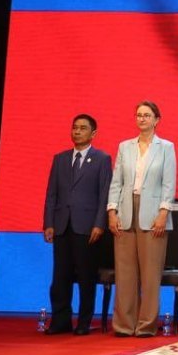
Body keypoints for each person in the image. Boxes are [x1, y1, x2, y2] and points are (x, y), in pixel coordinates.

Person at [106, 101, 176, 338]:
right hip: (126, 212)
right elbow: (117, 182)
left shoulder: (166, 147)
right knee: (125, 273)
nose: (142, 119)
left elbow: (169, 183)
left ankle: (146, 325)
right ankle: (124, 325)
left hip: (154, 214)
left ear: (157, 120)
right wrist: (112, 211)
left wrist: (163, 213)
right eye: (139, 115)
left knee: (150, 274)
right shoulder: (125, 146)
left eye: (147, 115)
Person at [42, 113, 112, 335]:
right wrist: (48, 223)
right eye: (75, 128)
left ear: (93, 133)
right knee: (60, 277)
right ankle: (60, 320)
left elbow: (104, 194)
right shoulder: (60, 159)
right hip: (62, 225)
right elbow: (51, 194)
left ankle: (83, 322)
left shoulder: (102, 159)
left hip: (87, 227)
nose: (77, 132)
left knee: (86, 277)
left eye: (82, 128)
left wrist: (99, 224)